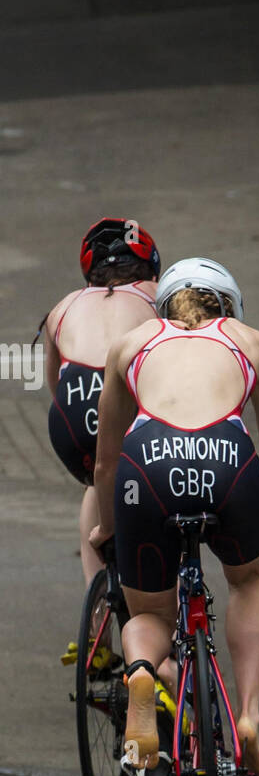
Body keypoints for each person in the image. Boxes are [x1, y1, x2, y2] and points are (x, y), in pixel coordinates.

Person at [89, 257, 259, 776]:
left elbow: (106, 462)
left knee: (149, 612)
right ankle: (248, 715)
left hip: (147, 464)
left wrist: (109, 527)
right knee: (249, 580)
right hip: (229, 463)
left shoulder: (131, 344)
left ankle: (138, 675)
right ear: (227, 306)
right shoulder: (253, 342)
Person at [42, 219, 161, 598]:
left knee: (97, 482)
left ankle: (97, 620)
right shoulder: (159, 296)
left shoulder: (62, 307)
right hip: (128, 404)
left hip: (73, 414)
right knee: (156, 487)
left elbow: (54, 386)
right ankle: (165, 619)